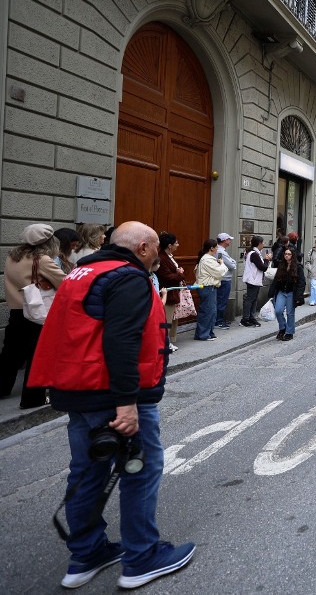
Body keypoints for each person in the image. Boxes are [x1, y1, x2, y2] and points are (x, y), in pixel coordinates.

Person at [28, 221, 195, 589]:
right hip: (113, 396)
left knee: (87, 473)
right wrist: (126, 404)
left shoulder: (82, 273)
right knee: (140, 470)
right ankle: (141, 557)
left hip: (79, 391)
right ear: (144, 249)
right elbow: (122, 341)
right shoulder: (128, 278)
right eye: (153, 248)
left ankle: (85, 555)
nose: (155, 255)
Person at [0, 224, 66, 408]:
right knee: (38, 355)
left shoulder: (13, 257)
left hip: (16, 311)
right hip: (37, 312)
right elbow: (65, 284)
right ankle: (32, 399)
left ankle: (3, 388)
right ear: (49, 241)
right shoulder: (42, 259)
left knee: (10, 354)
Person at [155, 233, 185, 352]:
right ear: (169, 245)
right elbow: (168, 277)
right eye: (176, 243)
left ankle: (169, 340)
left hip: (172, 292)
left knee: (171, 318)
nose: (178, 245)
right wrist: (180, 273)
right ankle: (164, 343)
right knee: (166, 319)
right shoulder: (162, 258)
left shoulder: (169, 256)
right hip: (166, 292)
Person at [193, 239, 227, 341]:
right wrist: (222, 263)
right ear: (211, 248)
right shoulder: (207, 259)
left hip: (209, 288)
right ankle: (203, 334)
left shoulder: (208, 259)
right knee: (207, 311)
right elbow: (220, 272)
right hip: (208, 287)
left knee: (211, 311)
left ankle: (209, 332)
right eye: (216, 247)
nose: (217, 249)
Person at [269, 248, 302, 340]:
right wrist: (271, 292)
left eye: (289, 254)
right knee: (278, 311)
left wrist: (299, 296)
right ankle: (283, 328)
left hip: (291, 293)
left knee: (290, 313)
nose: (287, 255)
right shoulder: (281, 265)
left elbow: (301, 283)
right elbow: (276, 279)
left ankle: (289, 332)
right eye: (285, 254)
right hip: (281, 292)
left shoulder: (298, 267)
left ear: (292, 256)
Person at [240, 235, 271, 327]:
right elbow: (263, 267)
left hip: (254, 279)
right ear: (259, 244)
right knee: (250, 299)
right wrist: (267, 260)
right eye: (263, 243)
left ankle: (251, 317)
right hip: (252, 280)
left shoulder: (254, 253)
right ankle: (245, 319)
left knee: (253, 299)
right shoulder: (254, 254)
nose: (264, 244)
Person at [214, 233, 237, 330]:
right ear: (224, 241)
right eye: (229, 239)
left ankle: (219, 320)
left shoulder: (220, 251)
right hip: (224, 279)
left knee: (220, 300)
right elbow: (232, 265)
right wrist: (233, 262)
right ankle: (218, 321)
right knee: (221, 301)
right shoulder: (221, 252)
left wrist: (233, 262)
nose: (230, 241)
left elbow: (232, 262)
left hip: (222, 278)